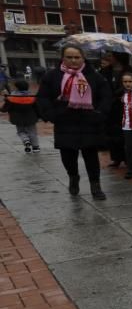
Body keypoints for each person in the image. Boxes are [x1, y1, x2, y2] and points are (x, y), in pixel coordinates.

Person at [35, 44, 112, 200]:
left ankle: (95, 185)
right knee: (68, 155)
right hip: (64, 121)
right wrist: (51, 114)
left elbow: (106, 96)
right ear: (63, 58)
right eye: (69, 57)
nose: (73, 60)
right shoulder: (52, 76)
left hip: (88, 121)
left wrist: (100, 113)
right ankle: (73, 176)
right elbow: (42, 97)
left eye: (77, 57)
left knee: (91, 156)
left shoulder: (93, 75)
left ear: (83, 58)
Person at [100, 51, 132, 168]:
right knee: (112, 134)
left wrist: (119, 94)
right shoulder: (104, 71)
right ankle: (116, 158)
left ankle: (130, 158)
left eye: (111, 56)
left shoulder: (130, 71)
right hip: (110, 108)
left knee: (128, 135)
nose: (109, 58)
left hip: (125, 107)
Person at [1, 78, 40, 152]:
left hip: (17, 118)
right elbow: (37, 108)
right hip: (31, 118)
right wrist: (40, 116)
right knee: (32, 132)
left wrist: (5, 102)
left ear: (17, 88)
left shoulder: (11, 98)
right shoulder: (32, 97)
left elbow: (4, 109)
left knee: (21, 131)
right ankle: (35, 147)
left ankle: (26, 140)